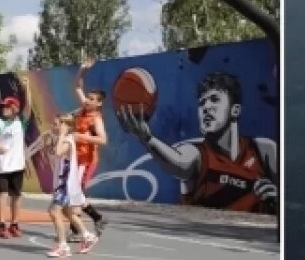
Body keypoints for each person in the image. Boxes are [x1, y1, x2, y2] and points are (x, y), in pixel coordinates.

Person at [117, 72, 278, 214]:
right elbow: (178, 161)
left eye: (215, 100)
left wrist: (279, 198)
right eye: (202, 103)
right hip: (204, 239)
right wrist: (147, 138)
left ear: (235, 110)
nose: (206, 107)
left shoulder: (263, 150)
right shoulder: (197, 154)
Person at [44, 114, 98, 258]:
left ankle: (63, 246)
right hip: (63, 184)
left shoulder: (67, 140)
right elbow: (52, 152)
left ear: (65, 126)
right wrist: (50, 141)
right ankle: (87, 236)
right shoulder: (64, 140)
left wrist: (61, 134)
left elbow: (58, 151)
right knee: (68, 213)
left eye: (56, 124)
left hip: (65, 185)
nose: (53, 126)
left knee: (54, 212)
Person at [70, 58, 108, 233]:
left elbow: (102, 140)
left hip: (87, 161)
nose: (87, 100)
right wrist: (82, 69)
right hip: (76, 158)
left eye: (92, 99)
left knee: (75, 193)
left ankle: (78, 230)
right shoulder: (84, 110)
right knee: (74, 192)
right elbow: (77, 86)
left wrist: (82, 136)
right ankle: (97, 218)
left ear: (99, 103)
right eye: (88, 98)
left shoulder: (96, 119)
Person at [0, 94, 26, 239]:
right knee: (2, 194)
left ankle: (14, 224)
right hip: (2, 165)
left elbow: (28, 108)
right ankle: (2, 225)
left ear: (15, 109)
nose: (4, 108)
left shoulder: (20, 122)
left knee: (16, 195)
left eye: (7, 106)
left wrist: (27, 89)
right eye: (3, 106)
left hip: (17, 165)